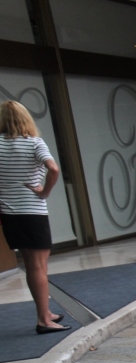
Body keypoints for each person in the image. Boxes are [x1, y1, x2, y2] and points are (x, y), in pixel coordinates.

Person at [0, 101, 65, 334]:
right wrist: (45, 191)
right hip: (32, 212)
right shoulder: (34, 143)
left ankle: (45, 312)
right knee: (39, 266)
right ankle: (44, 321)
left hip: (9, 214)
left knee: (31, 265)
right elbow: (54, 169)